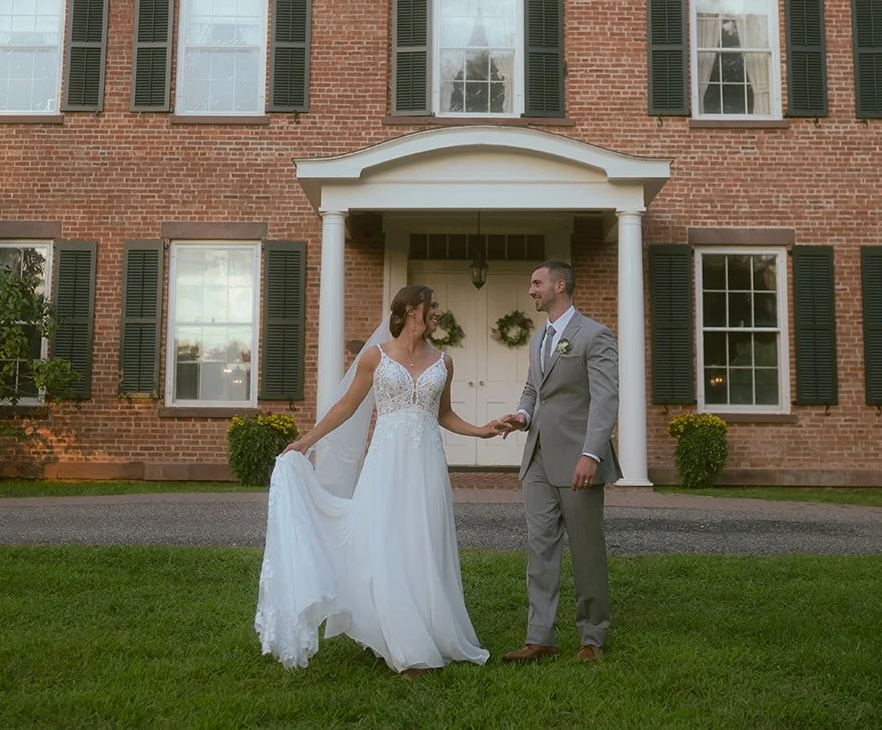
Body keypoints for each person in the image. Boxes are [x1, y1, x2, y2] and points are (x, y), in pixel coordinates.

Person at [254, 284, 502, 676]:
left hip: (427, 466)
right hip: (386, 464)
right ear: (412, 309)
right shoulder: (376, 357)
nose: (438, 312)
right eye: (433, 305)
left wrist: (481, 431)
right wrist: (305, 442)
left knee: (423, 543)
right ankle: (400, 642)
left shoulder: (444, 362)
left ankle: (428, 629)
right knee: (387, 542)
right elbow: (346, 407)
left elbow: (444, 414)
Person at [493, 260, 621, 664]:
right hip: (537, 460)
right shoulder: (538, 339)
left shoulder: (595, 335)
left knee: (586, 550)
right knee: (540, 548)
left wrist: (591, 454)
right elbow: (534, 389)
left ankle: (592, 636)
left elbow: (605, 400)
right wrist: (521, 416)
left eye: (537, 283)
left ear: (560, 285)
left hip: (578, 459)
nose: (531, 289)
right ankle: (540, 638)